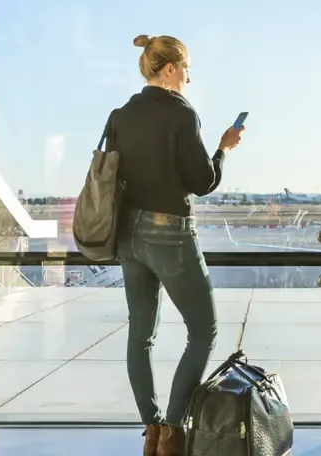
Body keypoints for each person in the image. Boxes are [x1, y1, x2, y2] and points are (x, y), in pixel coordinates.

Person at [108, 34, 244, 456]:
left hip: (128, 235)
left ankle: (151, 429)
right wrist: (223, 149)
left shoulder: (119, 115)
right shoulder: (182, 113)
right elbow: (202, 182)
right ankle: (172, 428)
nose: (189, 75)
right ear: (169, 69)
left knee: (140, 334)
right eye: (186, 67)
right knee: (204, 330)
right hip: (169, 233)